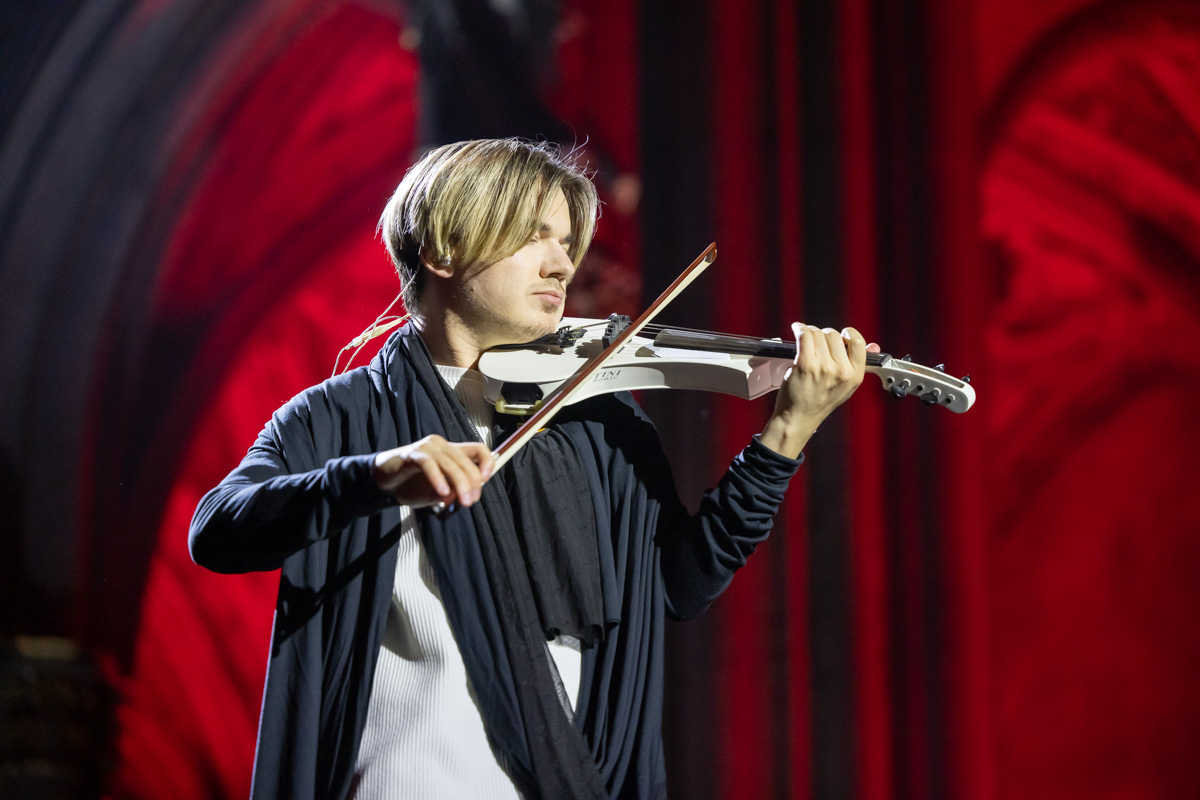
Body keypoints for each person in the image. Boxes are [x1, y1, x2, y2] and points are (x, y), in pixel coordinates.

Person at [189, 138, 876, 800]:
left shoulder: (599, 422)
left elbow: (681, 584)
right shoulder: (337, 417)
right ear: (443, 249)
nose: (562, 265)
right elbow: (217, 530)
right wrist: (375, 476)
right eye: (533, 236)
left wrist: (788, 430)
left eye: (567, 243)